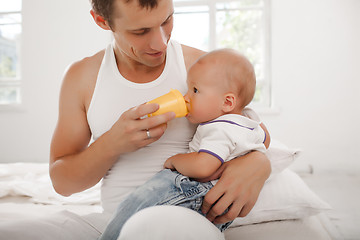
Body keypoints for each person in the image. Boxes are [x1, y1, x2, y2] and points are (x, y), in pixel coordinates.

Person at [0, 0, 271, 239]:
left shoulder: (202, 69)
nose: (161, 42)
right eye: (140, 31)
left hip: (181, 217)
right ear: (102, 21)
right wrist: (111, 143)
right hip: (113, 222)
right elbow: (63, 183)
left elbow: (251, 132)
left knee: (152, 229)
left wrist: (258, 163)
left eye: (167, 20)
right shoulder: (82, 78)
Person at [98, 49, 270, 240]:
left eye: (195, 90)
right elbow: (265, 139)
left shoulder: (220, 129)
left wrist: (174, 161)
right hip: (212, 202)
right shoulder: (248, 119)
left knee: (136, 203)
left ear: (228, 102)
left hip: (193, 189)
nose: (186, 97)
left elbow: (204, 166)